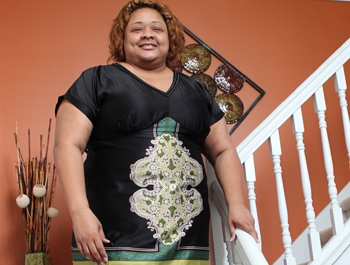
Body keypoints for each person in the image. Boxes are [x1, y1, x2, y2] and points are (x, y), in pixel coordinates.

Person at [54, 0, 258, 264]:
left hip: (188, 245)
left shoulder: (197, 91)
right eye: (137, 29)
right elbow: (67, 145)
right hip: (111, 241)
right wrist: (80, 212)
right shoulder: (96, 80)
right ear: (122, 38)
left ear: (170, 39)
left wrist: (237, 204)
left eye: (157, 29)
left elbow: (222, 150)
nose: (148, 34)